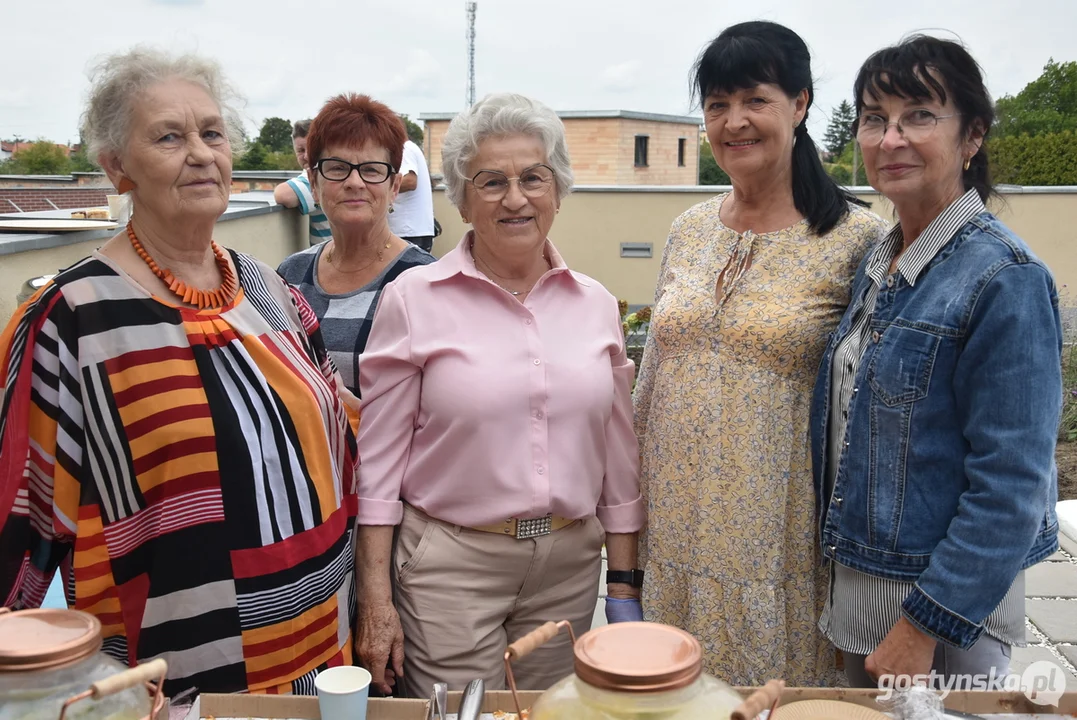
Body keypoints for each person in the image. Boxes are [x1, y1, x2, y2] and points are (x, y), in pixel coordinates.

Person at [0, 49, 360, 697]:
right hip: (174, 679)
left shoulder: (268, 289)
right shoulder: (72, 318)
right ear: (116, 168)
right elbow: (20, 514)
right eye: (169, 136)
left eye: (212, 133)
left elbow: (341, 439)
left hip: (320, 655)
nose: (200, 153)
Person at [354, 93, 644, 697]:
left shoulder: (594, 303)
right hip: (449, 569)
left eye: (533, 178)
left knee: (547, 713)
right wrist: (376, 600)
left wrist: (621, 585)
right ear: (462, 199)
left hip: (568, 569)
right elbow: (377, 469)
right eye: (491, 182)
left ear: (557, 189)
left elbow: (619, 459)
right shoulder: (414, 298)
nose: (516, 198)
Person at [633, 21, 888, 686]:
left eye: (754, 100)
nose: (733, 122)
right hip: (672, 528)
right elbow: (651, 379)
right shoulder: (687, 230)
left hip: (777, 539)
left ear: (799, 103)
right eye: (717, 104)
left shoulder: (856, 238)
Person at [811, 35, 1062, 688]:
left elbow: (1010, 487)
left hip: (940, 628)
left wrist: (923, 625)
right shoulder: (881, 260)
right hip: (862, 601)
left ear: (971, 136)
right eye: (874, 118)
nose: (890, 138)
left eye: (918, 115)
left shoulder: (1002, 277)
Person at [277, 95, 434, 396]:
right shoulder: (289, 274)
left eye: (372, 170)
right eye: (337, 168)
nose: (354, 182)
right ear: (313, 182)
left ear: (394, 187)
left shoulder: (425, 281)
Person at [274, 119, 333, 245]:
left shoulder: (322, 174)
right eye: (300, 150)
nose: (306, 156)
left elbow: (283, 195)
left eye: (311, 149)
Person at [388, 138, 436, 252]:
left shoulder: (404, 149)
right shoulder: (410, 148)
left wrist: (383, 189)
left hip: (407, 231)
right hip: (414, 230)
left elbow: (410, 181)